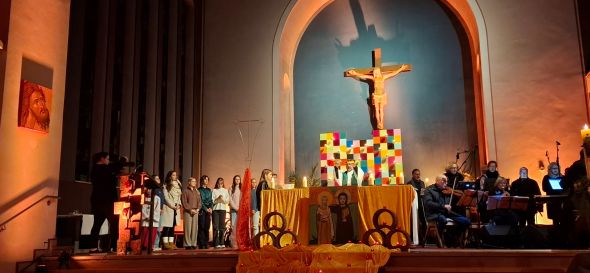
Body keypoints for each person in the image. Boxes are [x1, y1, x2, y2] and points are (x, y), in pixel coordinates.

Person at [344, 61, 411, 130]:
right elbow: (362, 76)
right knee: (376, 109)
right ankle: (378, 122)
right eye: (375, 72)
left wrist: (401, 69)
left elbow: (392, 74)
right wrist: (354, 73)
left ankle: (381, 123)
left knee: (381, 110)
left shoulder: (383, 77)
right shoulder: (373, 78)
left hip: (382, 95)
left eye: (377, 72)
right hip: (376, 96)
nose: (376, 73)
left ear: (379, 72)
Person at [423, 175, 471, 247]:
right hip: (434, 213)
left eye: (446, 182)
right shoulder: (429, 190)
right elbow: (428, 203)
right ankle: (441, 240)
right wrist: (443, 206)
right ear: (437, 181)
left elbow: (460, 195)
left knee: (466, 221)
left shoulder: (446, 190)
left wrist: (453, 192)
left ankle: (453, 238)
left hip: (446, 213)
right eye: (443, 181)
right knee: (443, 220)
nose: (445, 184)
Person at [89, 152, 119, 253]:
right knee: (115, 224)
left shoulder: (94, 169)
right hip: (108, 201)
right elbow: (114, 167)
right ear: (102, 159)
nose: (108, 161)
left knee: (96, 224)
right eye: (107, 159)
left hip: (97, 201)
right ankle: (114, 247)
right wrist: (122, 161)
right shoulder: (103, 168)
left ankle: (93, 247)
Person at [161, 171, 182, 250]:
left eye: (176, 175)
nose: (175, 176)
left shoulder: (178, 184)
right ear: (170, 176)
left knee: (173, 226)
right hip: (169, 208)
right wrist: (173, 206)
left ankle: (171, 243)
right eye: (173, 175)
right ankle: (165, 243)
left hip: (176, 208)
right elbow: (166, 197)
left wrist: (179, 204)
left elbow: (179, 196)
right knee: (167, 226)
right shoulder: (166, 185)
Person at [406, 169, 426, 243]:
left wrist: (423, 192)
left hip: (421, 204)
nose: (418, 176)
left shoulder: (422, 183)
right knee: (413, 222)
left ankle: (423, 238)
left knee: (423, 221)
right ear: (413, 175)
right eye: (416, 174)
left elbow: (423, 193)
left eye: (419, 174)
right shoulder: (409, 183)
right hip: (413, 204)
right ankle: (413, 238)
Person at [542, 162, 566, 226]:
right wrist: (553, 187)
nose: (555, 170)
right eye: (553, 168)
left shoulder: (563, 177)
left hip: (561, 201)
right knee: (554, 219)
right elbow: (544, 188)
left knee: (563, 218)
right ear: (550, 169)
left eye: (557, 168)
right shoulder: (546, 177)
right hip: (552, 200)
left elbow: (566, 187)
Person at [181, 177, 201, 250]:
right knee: (188, 228)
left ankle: (193, 243)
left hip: (196, 211)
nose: (195, 183)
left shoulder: (197, 191)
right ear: (189, 182)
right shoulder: (185, 191)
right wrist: (190, 209)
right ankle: (187, 244)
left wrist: (198, 209)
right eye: (193, 181)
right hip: (188, 211)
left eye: (195, 181)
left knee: (195, 228)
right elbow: (184, 202)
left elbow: (199, 201)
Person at [212, 177, 230, 248]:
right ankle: (216, 243)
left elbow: (227, 201)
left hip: (222, 210)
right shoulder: (214, 190)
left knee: (222, 227)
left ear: (223, 183)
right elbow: (212, 201)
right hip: (215, 210)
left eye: (221, 183)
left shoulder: (225, 191)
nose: (220, 184)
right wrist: (217, 199)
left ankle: (222, 242)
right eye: (219, 183)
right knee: (216, 227)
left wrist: (222, 199)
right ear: (217, 183)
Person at [197, 175, 213, 249]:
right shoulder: (199, 190)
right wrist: (206, 209)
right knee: (202, 227)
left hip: (208, 211)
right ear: (202, 181)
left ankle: (206, 242)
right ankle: (201, 243)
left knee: (207, 227)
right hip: (202, 210)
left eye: (207, 180)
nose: (206, 181)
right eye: (204, 179)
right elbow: (201, 201)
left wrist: (210, 208)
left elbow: (211, 201)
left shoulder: (209, 190)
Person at [229, 175, 241, 248]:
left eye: (239, 179)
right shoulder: (231, 188)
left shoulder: (242, 188)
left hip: (241, 210)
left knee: (240, 226)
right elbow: (230, 199)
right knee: (233, 226)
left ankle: (239, 241)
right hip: (234, 210)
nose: (237, 180)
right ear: (234, 180)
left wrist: (240, 208)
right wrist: (236, 208)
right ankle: (233, 242)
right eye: (236, 179)